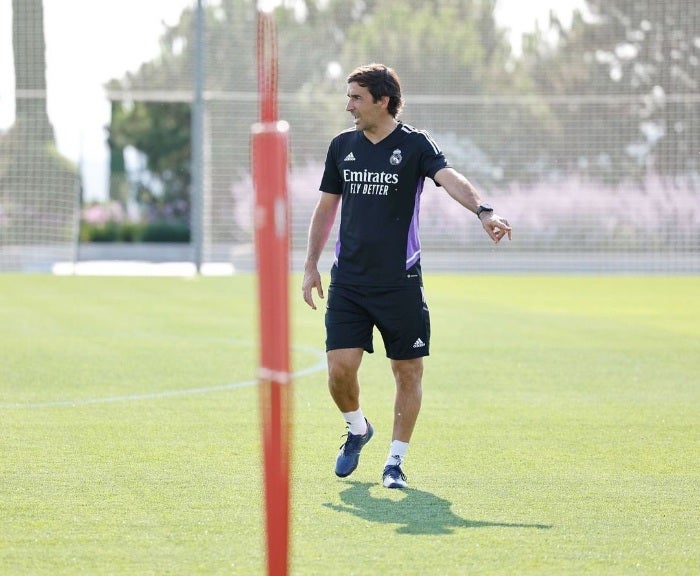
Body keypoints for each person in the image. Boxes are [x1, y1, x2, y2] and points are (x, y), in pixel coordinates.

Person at [301, 63, 511, 489]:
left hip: (400, 281)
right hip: (349, 282)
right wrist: (310, 265)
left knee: (408, 372)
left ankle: (394, 463)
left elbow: (449, 178)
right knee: (339, 371)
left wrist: (483, 211)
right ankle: (358, 429)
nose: (349, 106)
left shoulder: (415, 145)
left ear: (383, 100)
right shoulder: (342, 146)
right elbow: (326, 208)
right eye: (349, 97)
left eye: (356, 98)